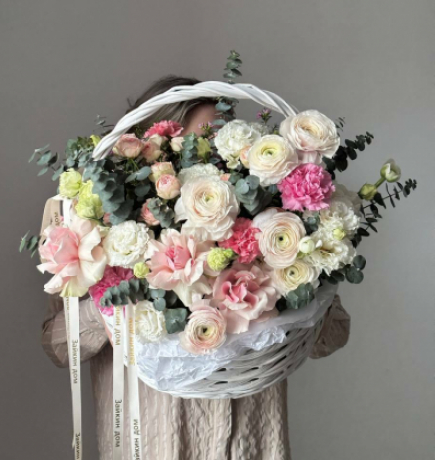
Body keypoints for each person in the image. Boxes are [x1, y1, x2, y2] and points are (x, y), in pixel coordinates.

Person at [41, 76, 351, 460]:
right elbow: (57, 347)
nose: (206, 166)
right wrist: (113, 304)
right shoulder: (89, 234)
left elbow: (332, 337)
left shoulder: (263, 231)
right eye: (189, 149)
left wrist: (306, 285)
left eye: (215, 149)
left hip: (252, 444)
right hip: (153, 445)